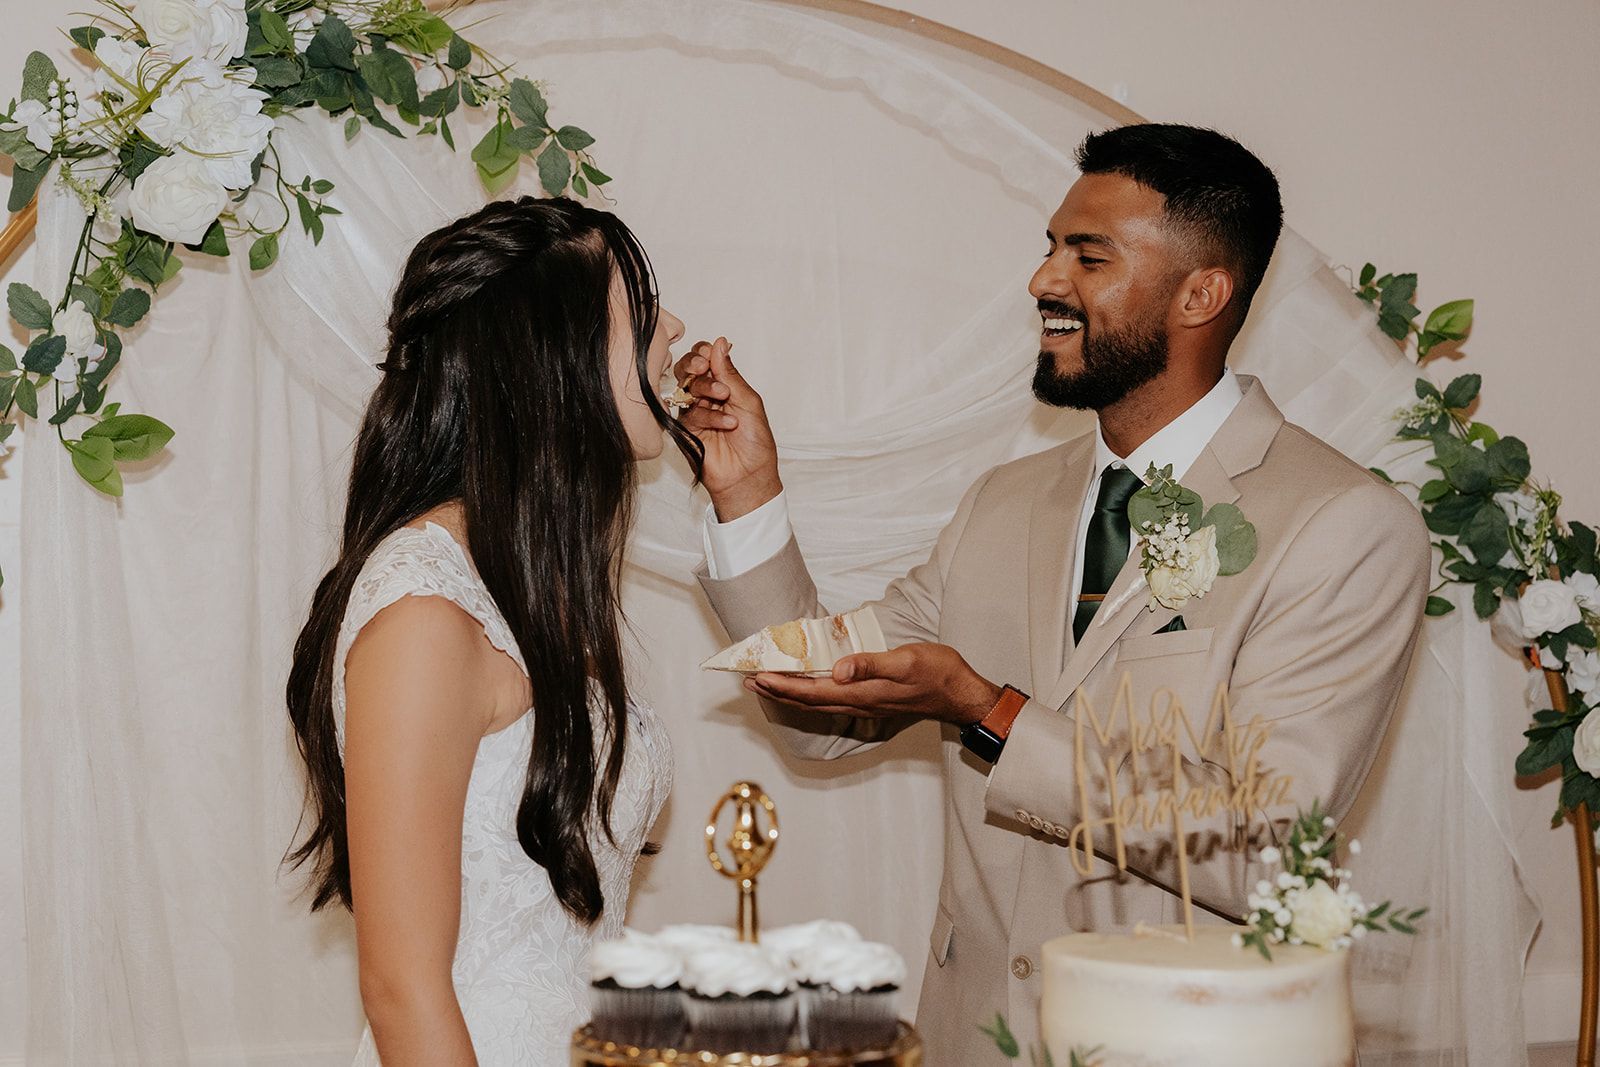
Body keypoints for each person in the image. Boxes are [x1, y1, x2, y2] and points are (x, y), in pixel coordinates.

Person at [675, 123, 1432, 1061]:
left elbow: (1267, 845)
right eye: (1049, 248)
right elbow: (826, 708)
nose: (1043, 281)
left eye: (1089, 255)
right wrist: (745, 489)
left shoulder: (1343, 523)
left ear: (1201, 293)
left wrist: (991, 713)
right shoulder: (1004, 502)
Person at [284, 196, 701, 1065]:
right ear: (553, 357)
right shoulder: (422, 608)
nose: (677, 332)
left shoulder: (520, 580)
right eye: (644, 314)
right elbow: (402, 988)